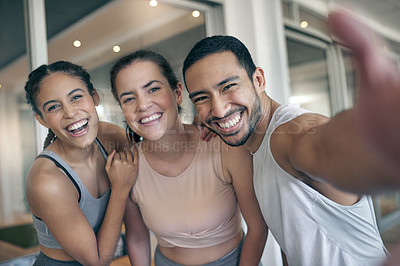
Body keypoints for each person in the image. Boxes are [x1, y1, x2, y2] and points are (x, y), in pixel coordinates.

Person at [182, 10, 395, 266]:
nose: (218, 109)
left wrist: (377, 146)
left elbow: (325, 147)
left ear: (258, 80)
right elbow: (293, 241)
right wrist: (208, 123)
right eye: (202, 98)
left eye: (228, 86)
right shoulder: (254, 145)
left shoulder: (288, 134)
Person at [109, 50, 267, 265]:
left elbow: (257, 228)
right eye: (128, 98)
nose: (143, 105)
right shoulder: (128, 166)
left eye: (153, 89)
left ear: (178, 93)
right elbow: (137, 238)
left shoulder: (223, 147)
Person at [24, 61, 138, 265]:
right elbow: (96, 261)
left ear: (94, 97)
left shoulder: (108, 136)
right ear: (42, 120)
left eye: (76, 97)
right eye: (53, 107)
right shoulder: (47, 180)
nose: (70, 112)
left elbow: (150, 168)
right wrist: (120, 188)